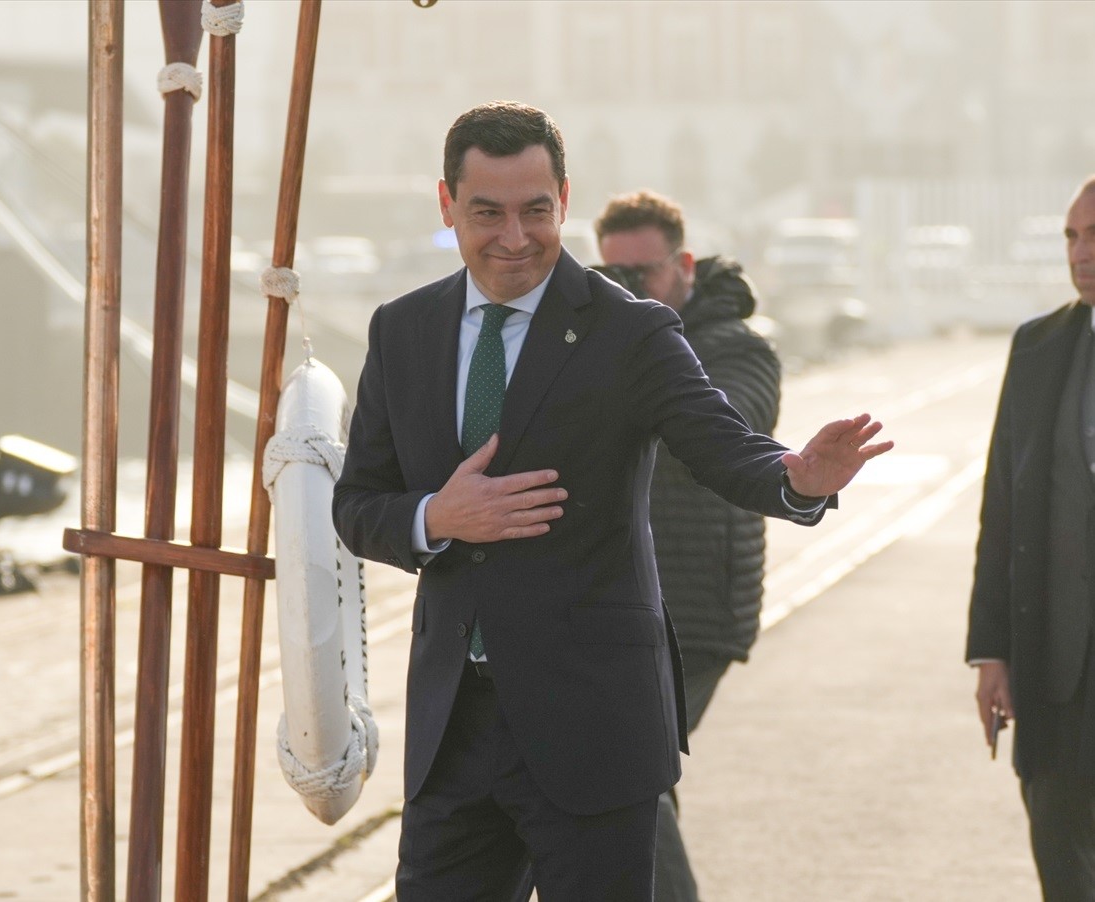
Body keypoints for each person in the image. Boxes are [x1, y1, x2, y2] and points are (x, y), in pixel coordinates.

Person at [333, 101, 892, 901]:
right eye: (488, 213)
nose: (515, 237)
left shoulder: (632, 332)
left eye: (536, 211)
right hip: (454, 731)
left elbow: (722, 446)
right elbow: (358, 504)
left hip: (591, 724)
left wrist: (797, 478)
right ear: (447, 205)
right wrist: (435, 518)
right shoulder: (403, 330)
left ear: (565, 200)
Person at [592, 190, 780, 902]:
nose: (631, 289)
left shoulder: (737, 345)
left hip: (696, 607)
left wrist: (635, 355)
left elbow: (730, 429)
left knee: (626, 769)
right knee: (629, 772)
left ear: (686, 265)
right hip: (621, 600)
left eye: (643, 273)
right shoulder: (605, 338)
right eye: (614, 274)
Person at [967, 174, 1095, 901]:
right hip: (1056, 669)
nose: (1081, 253)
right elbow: (1004, 508)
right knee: (1061, 858)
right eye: (1072, 237)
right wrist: (991, 650)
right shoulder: (1038, 346)